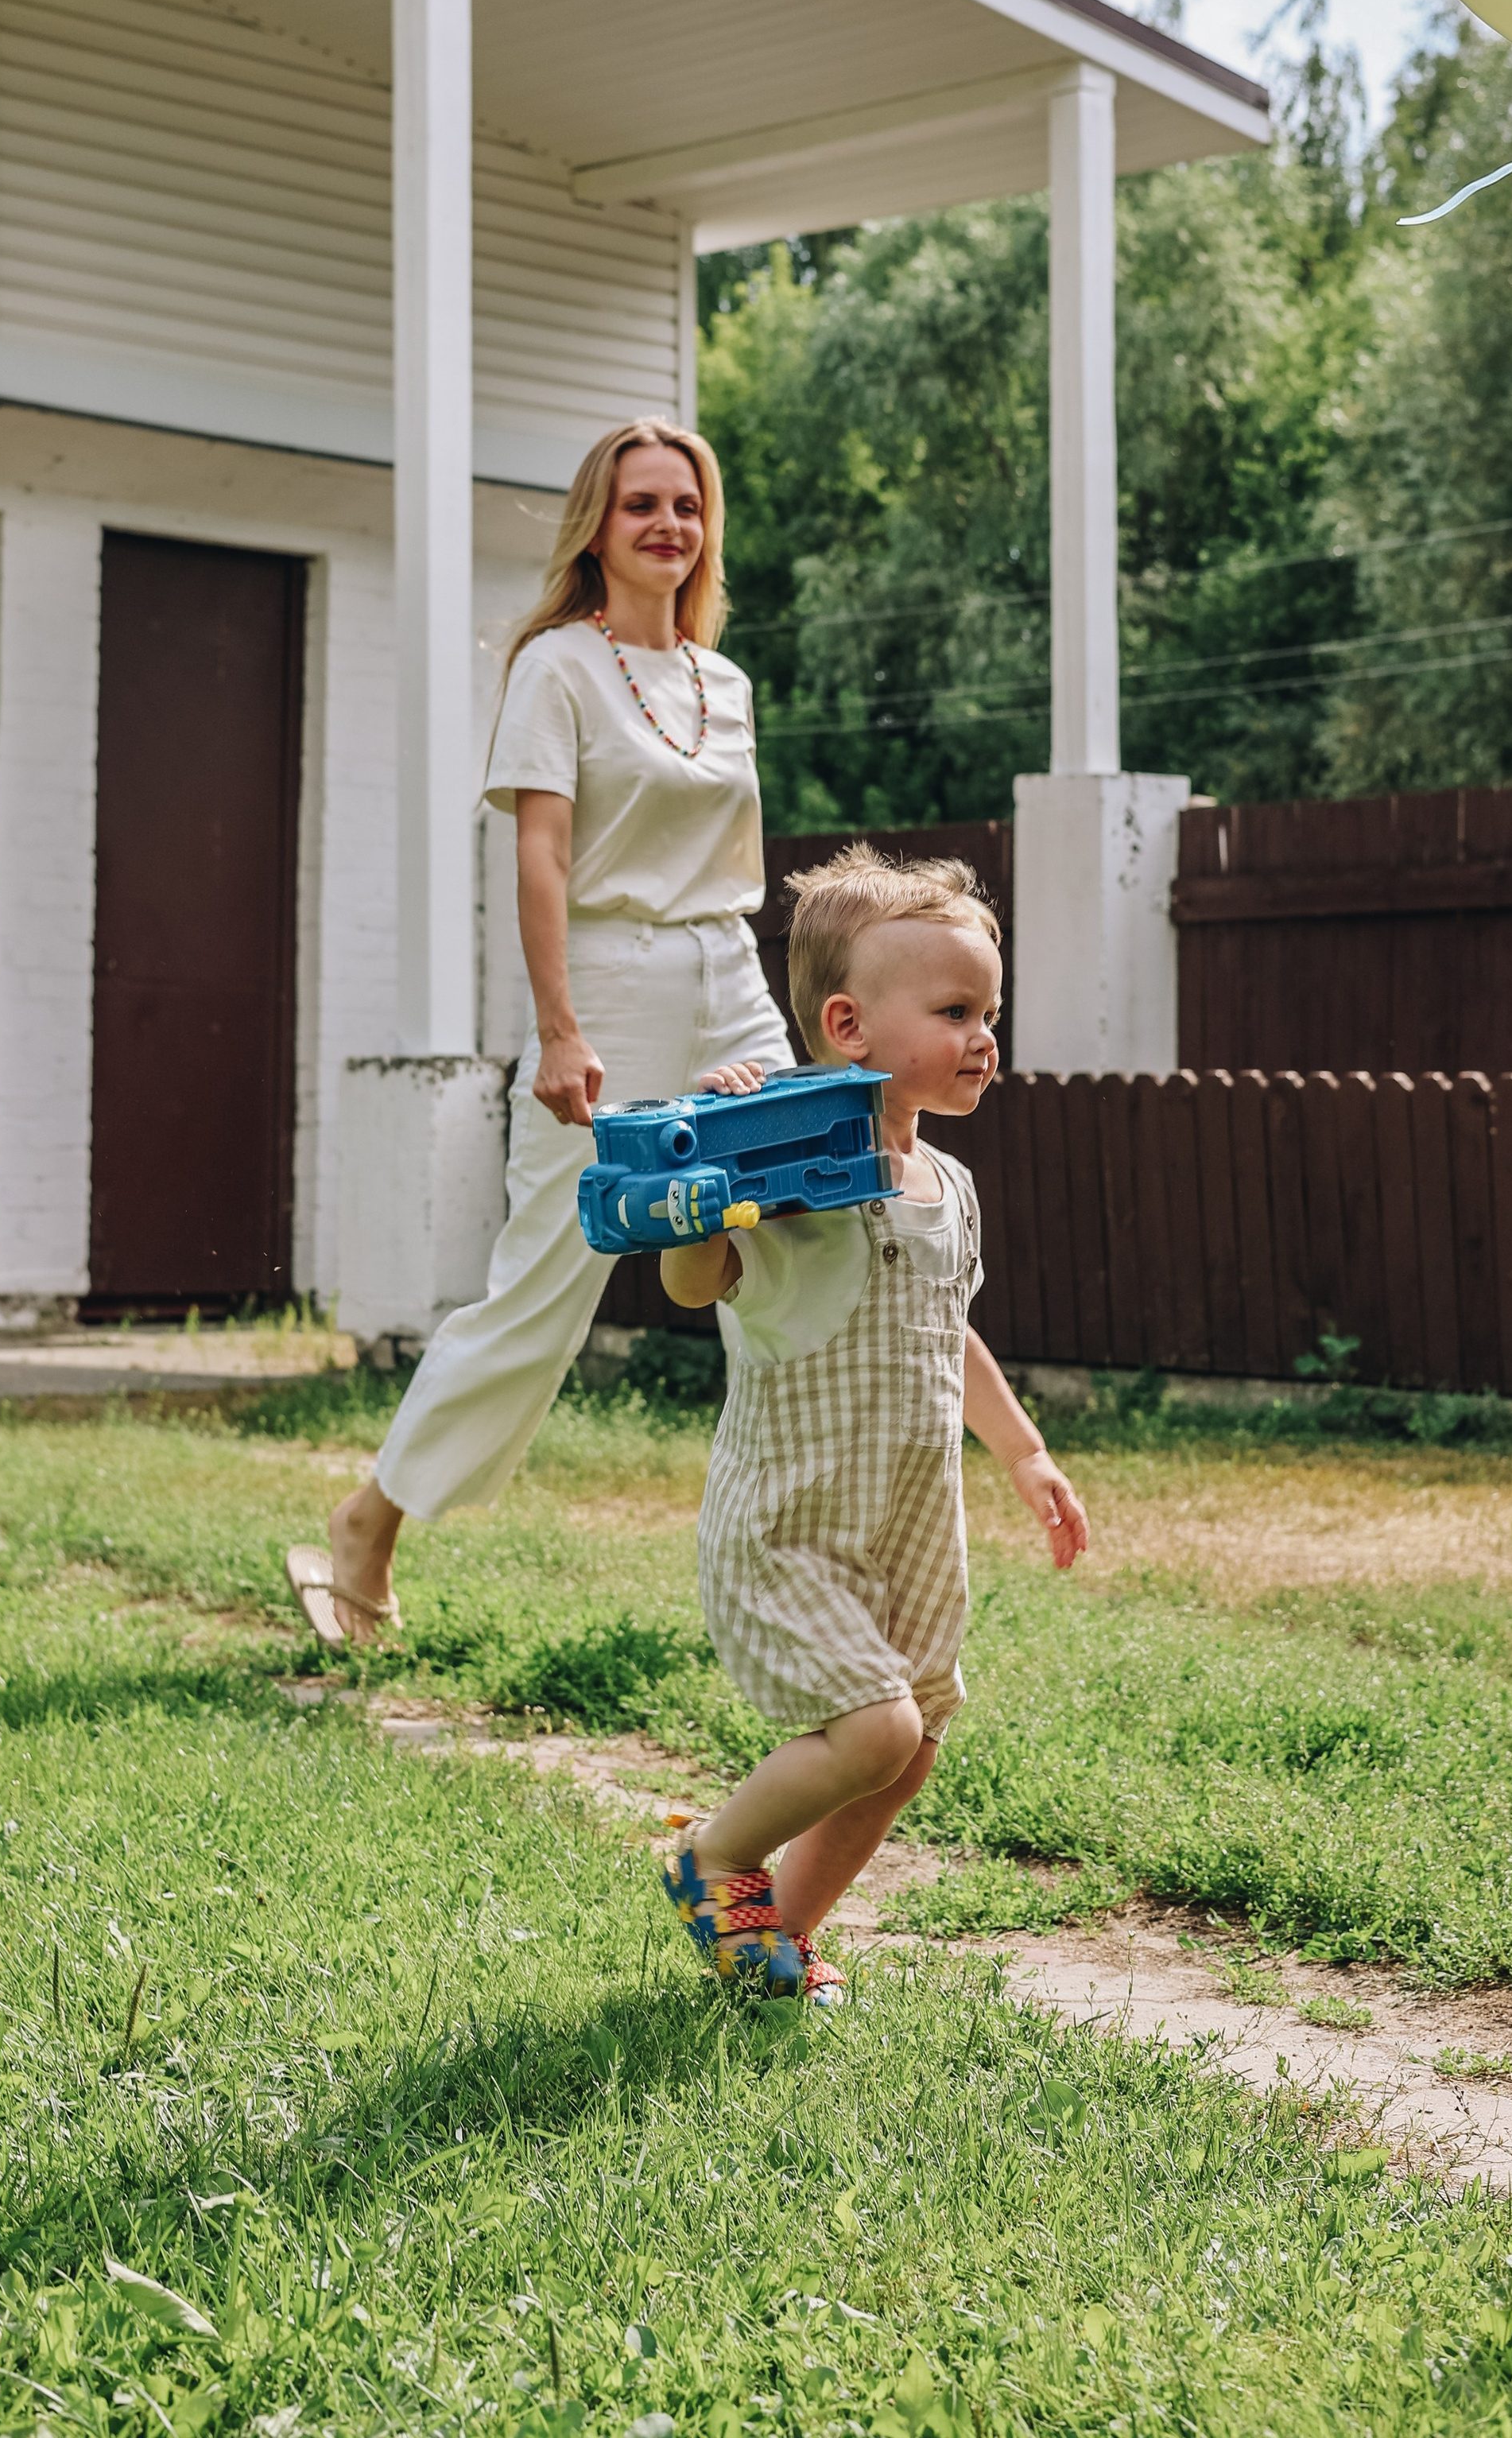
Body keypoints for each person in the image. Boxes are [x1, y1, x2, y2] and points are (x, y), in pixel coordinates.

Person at [288, 417, 792, 1647]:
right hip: (608, 985)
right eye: (642, 507)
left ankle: (794, 1545)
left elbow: (731, 863)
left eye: (687, 505)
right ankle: (372, 1518)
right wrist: (559, 1032)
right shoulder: (558, 667)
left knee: (795, 1237)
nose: (668, 525)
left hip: (731, 974)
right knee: (543, 1292)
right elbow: (543, 856)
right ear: (599, 527)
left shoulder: (723, 685)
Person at [653, 844, 1090, 2003]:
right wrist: (712, 1190)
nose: (986, 1036)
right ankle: (716, 1858)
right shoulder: (788, 1181)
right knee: (875, 1734)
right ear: (847, 1024)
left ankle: (775, 1938)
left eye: (990, 1010)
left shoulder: (951, 1188)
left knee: (908, 1754)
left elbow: (947, 1331)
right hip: (789, 1530)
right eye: (955, 1011)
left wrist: (1025, 1452)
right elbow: (696, 1284)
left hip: (905, 1534)